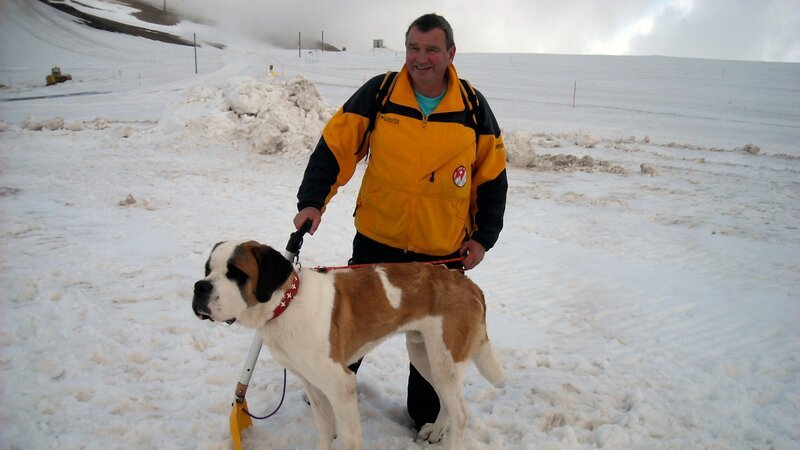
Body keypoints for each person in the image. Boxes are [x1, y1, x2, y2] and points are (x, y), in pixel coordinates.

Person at [293, 13, 507, 431]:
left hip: (439, 250)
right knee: (349, 326)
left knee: (427, 387)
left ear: (450, 53)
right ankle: (333, 391)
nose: (421, 58)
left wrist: (483, 237)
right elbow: (336, 148)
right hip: (378, 240)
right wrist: (313, 202)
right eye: (413, 48)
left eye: (431, 49)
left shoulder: (473, 109)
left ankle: (432, 412)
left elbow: (492, 178)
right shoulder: (381, 93)